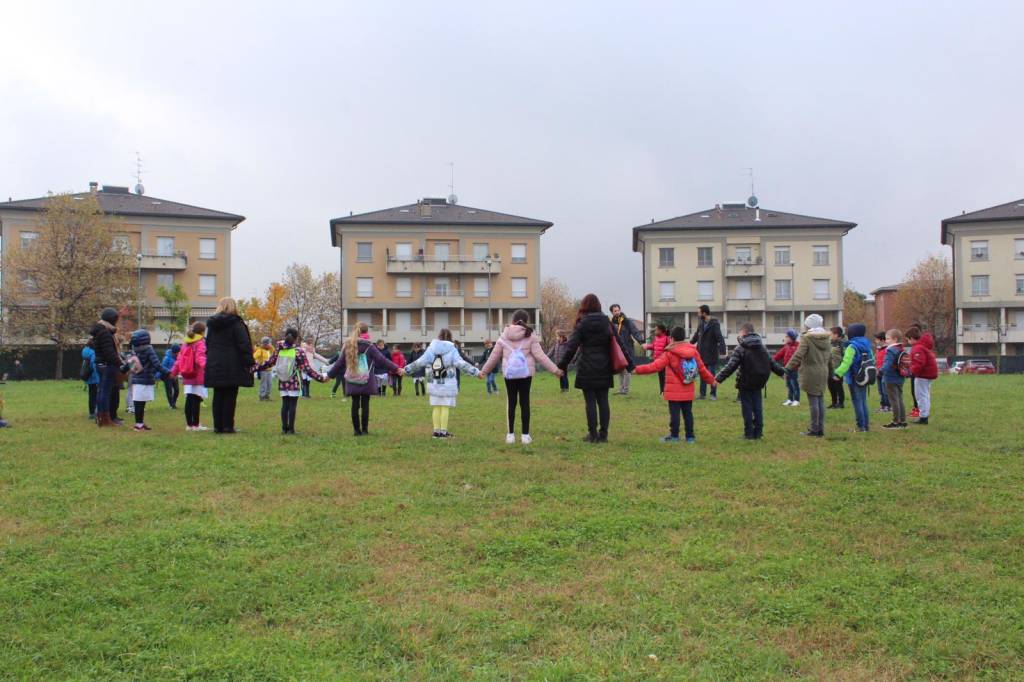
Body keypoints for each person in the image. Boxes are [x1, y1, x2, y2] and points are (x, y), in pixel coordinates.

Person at [557, 294, 634, 443]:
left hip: (587, 367)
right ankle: (603, 435)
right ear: (598, 306)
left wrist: (562, 366)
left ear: (584, 306)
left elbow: (571, 347)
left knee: (590, 402)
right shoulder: (607, 322)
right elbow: (620, 343)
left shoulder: (581, 323)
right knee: (603, 401)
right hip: (604, 366)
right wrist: (630, 364)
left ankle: (592, 435)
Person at [480, 309, 564, 444]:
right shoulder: (530, 336)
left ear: (513, 321)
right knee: (525, 402)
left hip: (509, 374)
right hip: (525, 374)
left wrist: (484, 371)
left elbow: (493, 357)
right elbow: (541, 356)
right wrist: (555, 370)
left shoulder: (504, 336)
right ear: (526, 321)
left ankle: (510, 435)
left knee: (511, 402)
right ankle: (525, 436)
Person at [635, 326, 717, 443]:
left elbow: (654, 367)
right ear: (684, 337)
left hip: (673, 391)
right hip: (688, 389)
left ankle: (674, 436)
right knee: (688, 413)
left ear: (672, 338)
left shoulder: (669, 353)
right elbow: (702, 369)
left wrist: (636, 369)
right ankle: (690, 437)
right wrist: (712, 381)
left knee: (674, 415)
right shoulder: (693, 351)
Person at [403, 328, 481, 438]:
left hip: (433, 382)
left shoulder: (430, 348)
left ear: (438, 336)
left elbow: (419, 362)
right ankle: (443, 432)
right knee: (445, 407)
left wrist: (405, 370)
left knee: (436, 407)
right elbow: (461, 363)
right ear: (450, 337)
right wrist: (476, 372)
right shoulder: (452, 349)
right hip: (447, 383)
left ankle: (436, 432)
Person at [327, 323, 401, 436]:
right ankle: (365, 430)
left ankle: (356, 431)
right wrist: (397, 369)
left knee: (354, 404)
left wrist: (329, 375)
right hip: (366, 380)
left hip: (352, 379)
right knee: (365, 404)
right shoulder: (370, 347)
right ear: (367, 332)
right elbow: (383, 360)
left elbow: (339, 364)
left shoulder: (348, 345)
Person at [715, 322, 785, 440]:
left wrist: (718, 378)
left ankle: (749, 433)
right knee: (757, 406)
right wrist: (782, 373)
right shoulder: (762, 346)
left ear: (744, 332)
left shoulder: (741, 347)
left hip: (745, 381)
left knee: (747, 407)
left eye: (740, 333)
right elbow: (771, 362)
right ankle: (758, 432)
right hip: (759, 381)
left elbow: (731, 366)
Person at [256, 328, 328, 435]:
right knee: (292, 405)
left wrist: (253, 368)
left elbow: (269, 363)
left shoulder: (279, 350)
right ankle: (291, 429)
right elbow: (307, 369)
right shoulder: (298, 351)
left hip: (282, 381)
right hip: (294, 381)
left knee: (284, 404)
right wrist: (321, 378)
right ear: (296, 339)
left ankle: (284, 428)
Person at [204, 297, 254, 434]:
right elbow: (244, 344)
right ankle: (227, 426)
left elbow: (207, 344)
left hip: (215, 364)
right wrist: (250, 362)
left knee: (218, 395)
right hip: (233, 364)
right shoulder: (237, 324)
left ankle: (217, 426)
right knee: (230, 396)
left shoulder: (212, 326)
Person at [785, 314, 834, 438]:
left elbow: (798, 355)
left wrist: (787, 369)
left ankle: (814, 429)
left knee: (813, 402)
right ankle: (820, 428)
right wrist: (832, 372)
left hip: (811, 372)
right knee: (820, 401)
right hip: (823, 371)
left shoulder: (807, 338)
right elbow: (830, 358)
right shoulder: (827, 338)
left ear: (809, 325)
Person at [832, 323, 874, 432]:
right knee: (863, 401)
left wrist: (837, 373)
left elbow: (846, 362)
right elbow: (872, 360)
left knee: (857, 401)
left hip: (854, 378)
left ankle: (861, 426)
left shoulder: (852, 346)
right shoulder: (867, 345)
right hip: (865, 377)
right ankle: (866, 426)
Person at [171, 321, 209, 432]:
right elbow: (200, 358)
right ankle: (196, 425)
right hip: (197, 374)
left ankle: (189, 425)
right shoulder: (200, 342)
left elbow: (179, 360)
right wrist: (208, 367)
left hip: (186, 375)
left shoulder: (185, 343)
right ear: (202, 332)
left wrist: (173, 372)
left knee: (189, 399)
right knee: (196, 400)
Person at [89, 307, 122, 427]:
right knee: (105, 392)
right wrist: (120, 363)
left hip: (101, 364)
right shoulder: (105, 333)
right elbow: (109, 353)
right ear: (112, 319)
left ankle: (101, 417)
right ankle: (105, 419)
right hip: (107, 366)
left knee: (102, 391)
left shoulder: (100, 331)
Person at [127, 328, 162, 432]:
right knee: (140, 404)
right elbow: (157, 364)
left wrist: (123, 368)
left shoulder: (133, 350)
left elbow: (128, 365)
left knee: (139, 403)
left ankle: (140, 424)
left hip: (136, 380)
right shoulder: (148, 349)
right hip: (145, 380)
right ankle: (138, 425)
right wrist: (167, 373)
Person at [690, 305, 726, 400]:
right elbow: (696, 336)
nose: (698, 314)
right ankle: (702, 394)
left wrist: (722, 351)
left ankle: (713, 394)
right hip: (701, 354)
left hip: (711, 354)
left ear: (704, 313)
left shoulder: (714, 324)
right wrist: (689, 345)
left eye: (699, 312)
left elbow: (719, 337)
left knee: (711, 375)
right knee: (702, 374)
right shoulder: (701, 323)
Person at [609, 304, 644, 395]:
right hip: (617, 349)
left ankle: (625, 390)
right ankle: (621, 389)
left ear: (620, 310)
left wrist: (641, 342)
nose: (617, 312)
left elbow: (634, 331)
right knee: (619, 369)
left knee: (627, 369)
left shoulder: (626, 321)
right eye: (615, 311)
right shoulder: (612, 323)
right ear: (612, 312)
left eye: (618, 310)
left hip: (627, 348)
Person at [906, 326, 938, 425]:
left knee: (920, 395)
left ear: (911, 338)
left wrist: (911, 371)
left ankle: (923, 417)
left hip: (922, 375)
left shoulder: (917, 348)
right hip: (928, 374)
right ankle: (925, 414)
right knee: (925, 395)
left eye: (907, 339)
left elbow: (919, 363)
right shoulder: (923, 346)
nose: (907, 341)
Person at [880, 329, 908, 429]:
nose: (886, 340)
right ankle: (902, 420)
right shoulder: (901, 348)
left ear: (895, 339)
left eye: (888, 338)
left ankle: (896, 421)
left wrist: (880, 371)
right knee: (899, 398)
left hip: (891, 377)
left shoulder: (891, 350)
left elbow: (887, 363)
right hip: (900, 377)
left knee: (893, 400)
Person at [773, 329, 801, 406]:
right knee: (789, 385)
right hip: (787, 370)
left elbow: (800, 358)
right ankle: (790, 399)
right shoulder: (786, 347)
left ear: (791, 337)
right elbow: (778, 355)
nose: (785, 338)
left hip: (795, 370)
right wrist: (771, 360)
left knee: (795, 385)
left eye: (787, 336)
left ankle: (796, 400)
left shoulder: (799, 346)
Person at [642, 323, 670, 395]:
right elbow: (653, 346)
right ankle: (662, 391)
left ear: (661, 331)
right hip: (657, 361)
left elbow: (670, 348)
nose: (655, 331)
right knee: (660, 376)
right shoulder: (656, 338)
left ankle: (666, 391)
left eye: (656, 330)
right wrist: (647, 347)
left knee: (665, 376)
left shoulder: (667, 338)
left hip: (664, 361)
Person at [827, 327, 847, 409]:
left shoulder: (843, 344)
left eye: (831, 334)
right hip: (829, 369)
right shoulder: (829, 343)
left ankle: (841, 403)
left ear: (836, 334)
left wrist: (841, 369)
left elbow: (845, 356)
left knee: (838, 386)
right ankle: (834, 403)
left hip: (838, 369)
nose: (830, 335)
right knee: (830, 386)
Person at [82, 340, 100, 420]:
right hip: (94, 376)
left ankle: (91, 412)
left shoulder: (85, 351)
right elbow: (93, 364)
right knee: (95, 395)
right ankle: (94, 412)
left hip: (88, 376)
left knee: (91, 395)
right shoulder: (93, 353)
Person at [874, 332, 891, 413]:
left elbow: (887, 362)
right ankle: (883, 406)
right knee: (880, 391)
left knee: (885, 391)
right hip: (878, 373)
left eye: (877, 340)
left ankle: (888, 406)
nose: (875, 341)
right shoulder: (878, 349)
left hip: (885, 373)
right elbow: (876, 360)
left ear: (882, 340)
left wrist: (882, 370)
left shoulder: (887, 349)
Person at [253, 337, 274, 401]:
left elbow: (273, 350)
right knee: (264, 383)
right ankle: (262, 396)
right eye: (269, 343)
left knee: (269, 383)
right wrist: (258, 363)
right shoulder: (260, 350)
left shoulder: (269, 349)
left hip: (269, 369)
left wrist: (270, 346)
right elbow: (254, 356)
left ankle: (267, 396)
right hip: (263, 370)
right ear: (265, 344)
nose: (270, 344)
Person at [161, 344, 181, 409]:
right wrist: (169, 373)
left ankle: (173, 403)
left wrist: (176, 374)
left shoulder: (178, 357)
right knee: (169, 391)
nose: (179, 353)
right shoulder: (166, 358)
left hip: (174, 376)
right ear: (175, 351)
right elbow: (162, 367)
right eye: (178, 351)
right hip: (167, 376)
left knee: (177, 390)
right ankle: (171, 405)